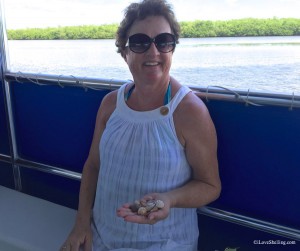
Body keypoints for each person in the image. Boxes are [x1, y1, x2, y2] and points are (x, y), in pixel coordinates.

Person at [61, 0, 221, 250]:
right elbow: (93, 166)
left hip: (164, 243)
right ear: (125, 53)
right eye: (139, 42)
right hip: (101, 237)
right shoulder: (110, 104)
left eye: (163, 41)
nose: (153, 51)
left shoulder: (189, 112)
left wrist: (170, 199)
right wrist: (81, 223)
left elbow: (210, 186)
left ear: (172, 49)